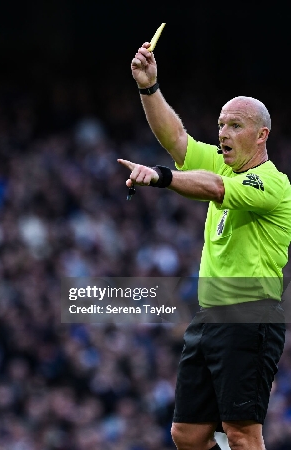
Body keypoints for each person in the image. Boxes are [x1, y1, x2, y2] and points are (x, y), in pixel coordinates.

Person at [121, 42, 291, 450]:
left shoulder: (273, 182)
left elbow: (214, 188)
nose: (222, 133)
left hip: (250, 315)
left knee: (241, 433)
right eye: (220, 124)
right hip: (211, 316)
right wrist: (149, 87)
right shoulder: (221, 161)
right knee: (189, 435)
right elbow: (177, 139)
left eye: (234, 125)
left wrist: (160, 177)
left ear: (261, 134)